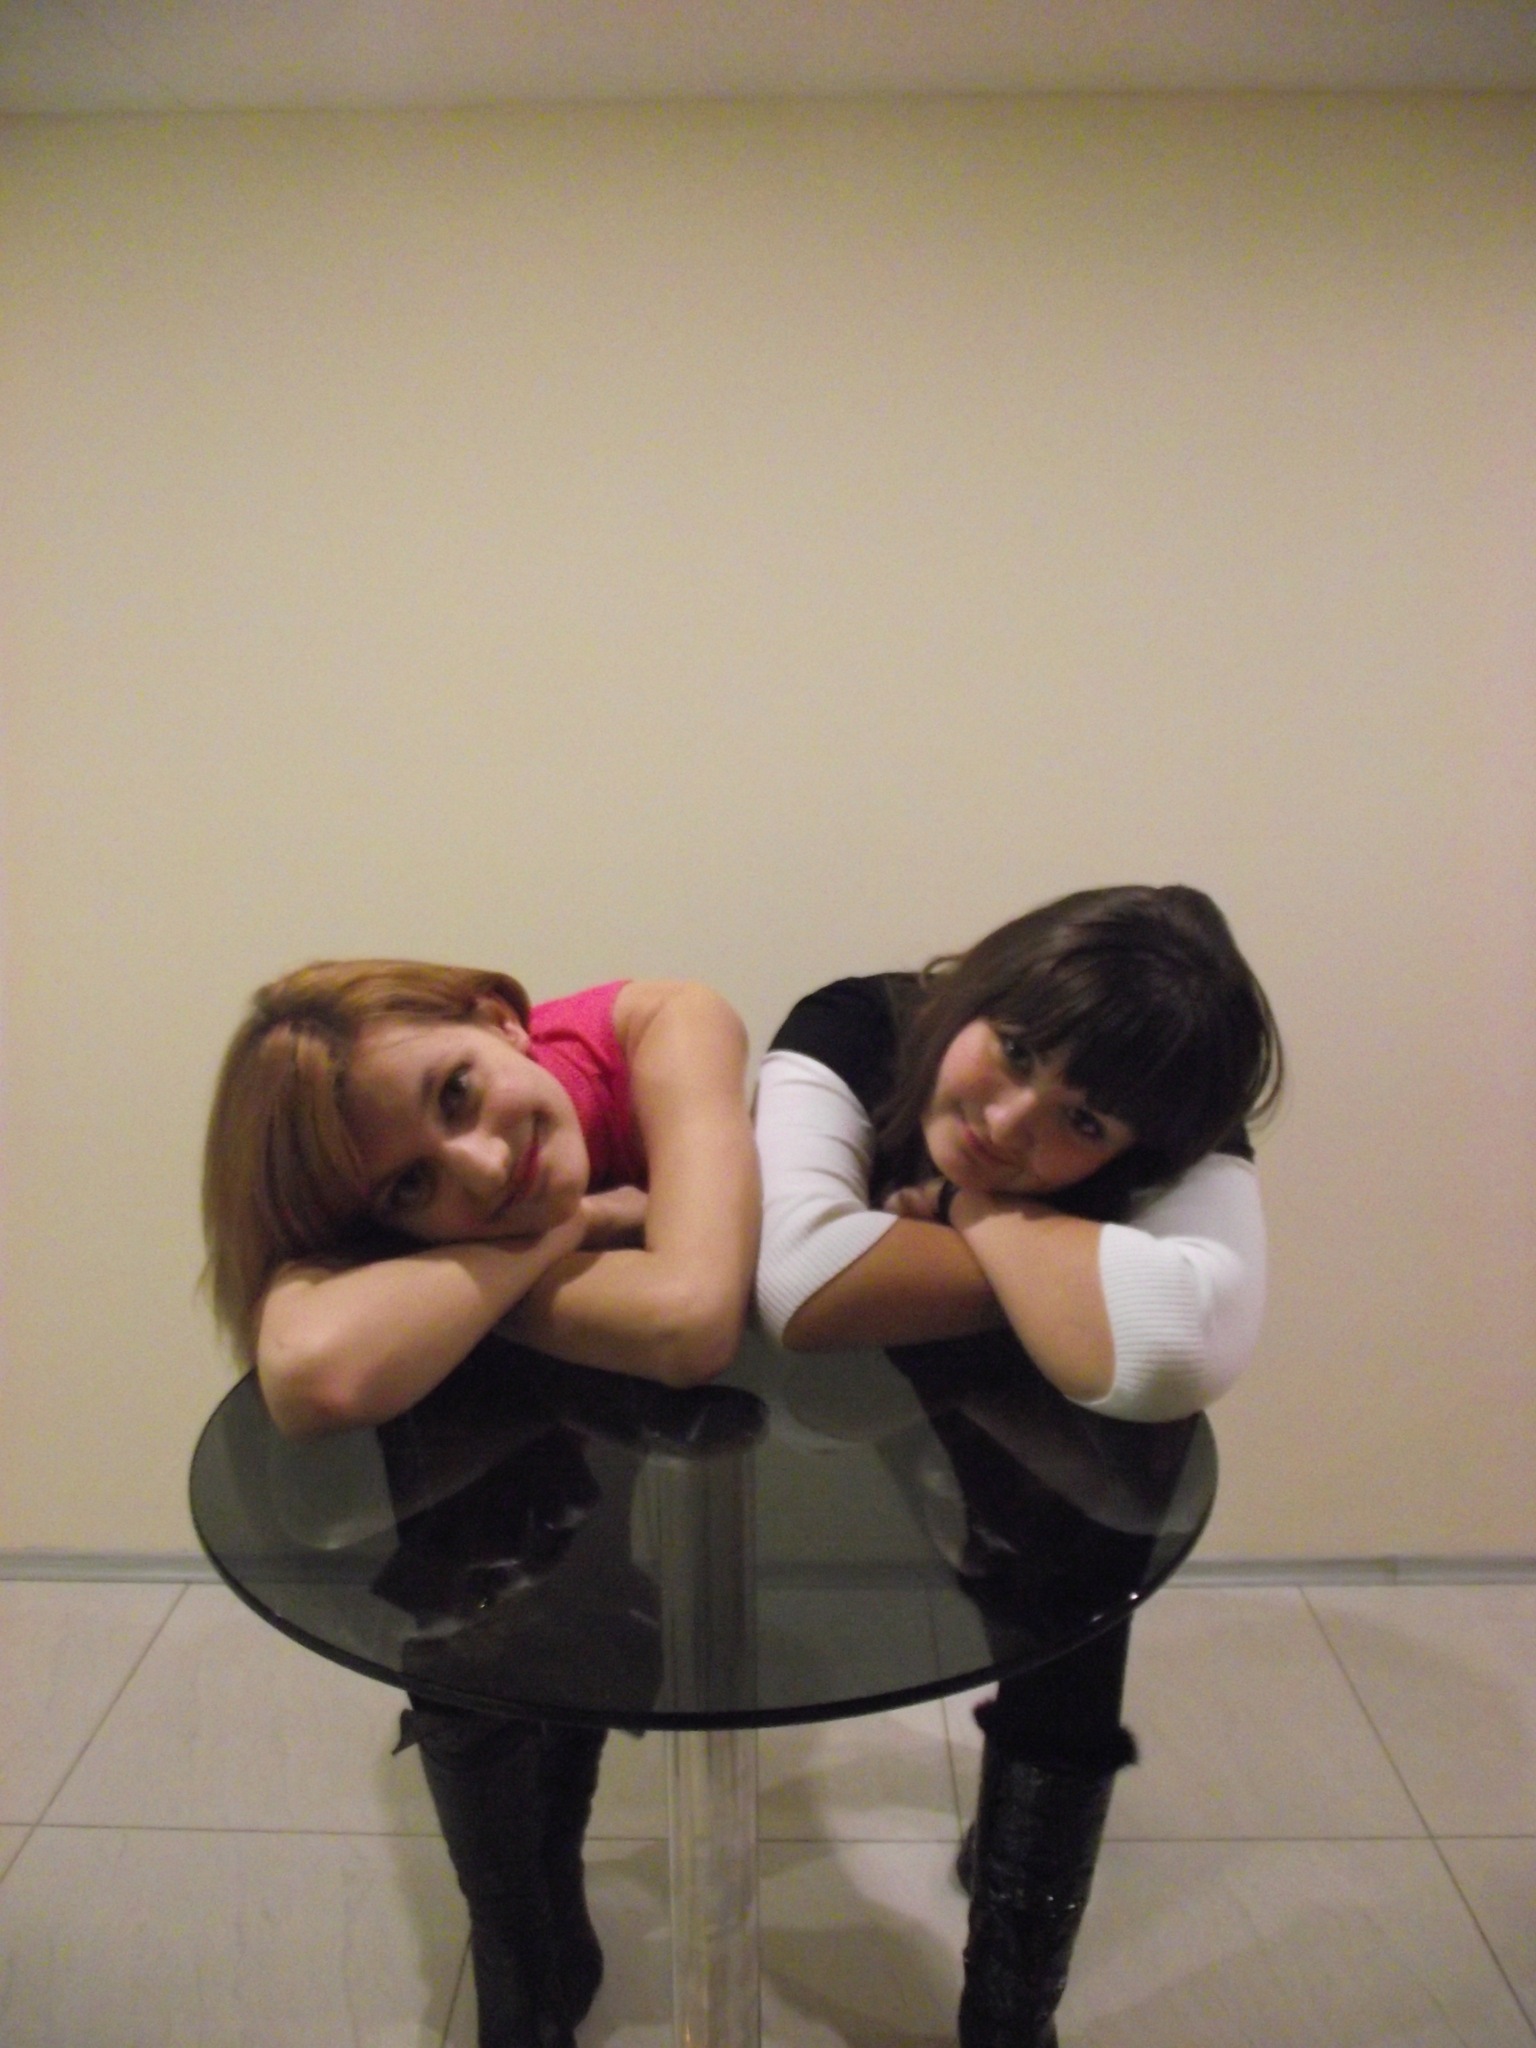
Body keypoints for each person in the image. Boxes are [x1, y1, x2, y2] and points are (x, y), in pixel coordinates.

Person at [753, 884, 1282, 2048]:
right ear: (979, 988)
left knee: (1077, 1593)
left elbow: (1178, 1348)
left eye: (1081, 1121)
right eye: (1018, 1049)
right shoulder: (853, 1025)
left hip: (1052, 1446)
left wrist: (968, 1207)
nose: (1008, 1119)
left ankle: (1009, 2010)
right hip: (834, 1421)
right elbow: (802, 1280)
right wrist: (1069, 1279)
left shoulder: (1175, 1111)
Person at [203, 961, 759, 2048]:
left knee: (588, 1607)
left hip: (606, 1410)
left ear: (498, 1017)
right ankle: (516, 1944)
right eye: (410, 1189)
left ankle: (551, 1891)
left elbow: (691, 1319)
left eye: (458, 1092)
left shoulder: (661, 1024)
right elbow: (315, 1375)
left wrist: (454, 1280)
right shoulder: (388, 1152)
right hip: (467, 1446)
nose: (488, 1163)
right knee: (469, 1632)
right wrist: (571, 1227)